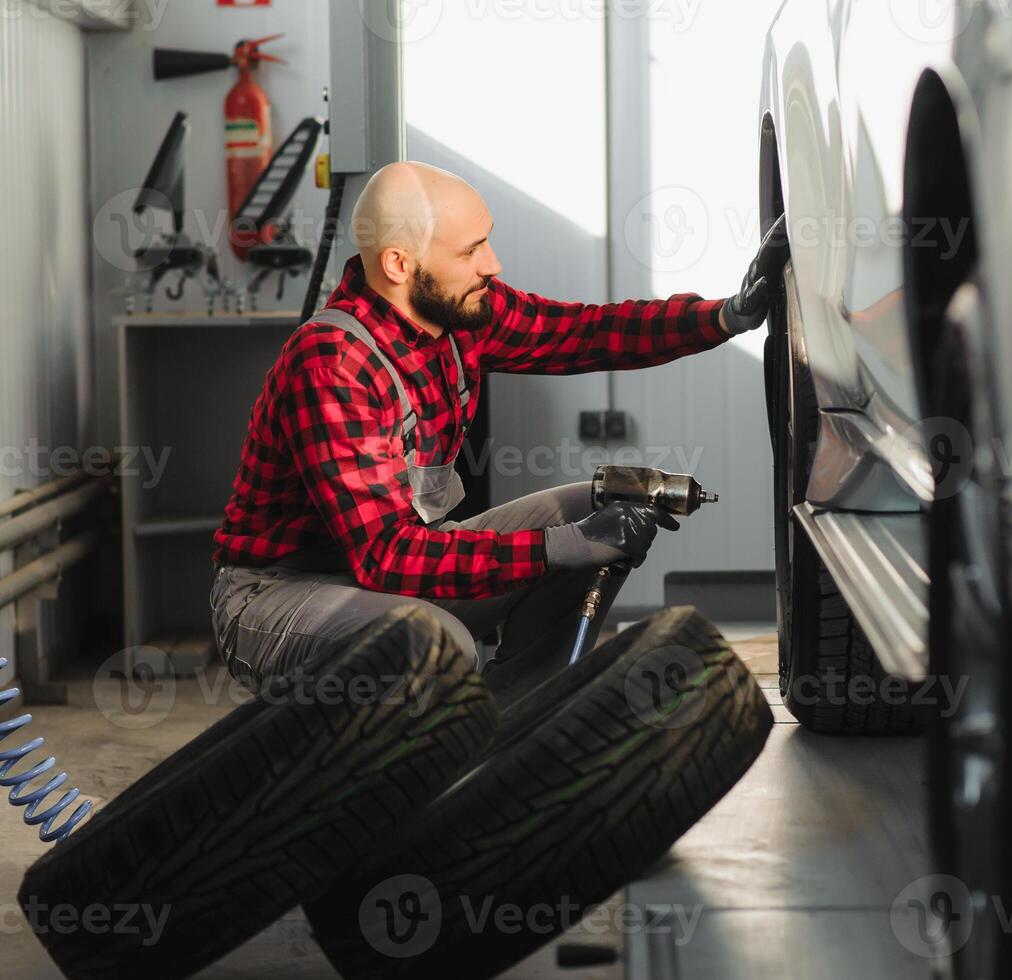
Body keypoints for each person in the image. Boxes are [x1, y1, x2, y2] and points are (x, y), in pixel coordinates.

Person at [209, 161, 786, 705]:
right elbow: (386, 556)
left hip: (383, 581)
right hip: (277, 597)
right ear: (399, 265)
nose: (493, 264)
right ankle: (387, 786)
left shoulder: (459, 318)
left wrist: (725, 315)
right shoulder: (333, 364)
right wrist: (568, 546)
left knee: (597, 506)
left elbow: (588, 331)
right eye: (470, 250)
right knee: (434, 645)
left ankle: (514, 727)